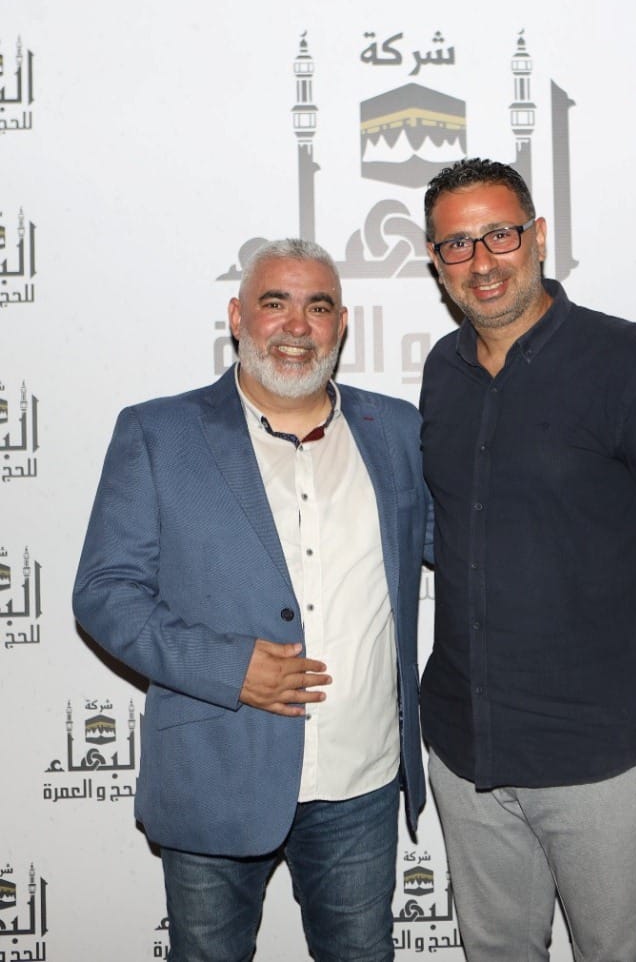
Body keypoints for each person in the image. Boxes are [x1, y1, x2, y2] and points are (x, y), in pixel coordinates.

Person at [73, 238, 430, 962]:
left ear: (341, 325)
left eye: (318, 307)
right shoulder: (158, 433)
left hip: (361, 781)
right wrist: (229, 668)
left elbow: (473, 545)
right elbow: (105, 593)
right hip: (215, 772)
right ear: (237, 317)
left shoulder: (397, 431)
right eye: (275, 303)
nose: (297, 326)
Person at [418, 159, 636, 962]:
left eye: (500, 234)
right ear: (435, 261)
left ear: (539, 237)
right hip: (466, 749)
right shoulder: (442, 373)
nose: (482, 261)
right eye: (457, 244)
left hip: (601, 755)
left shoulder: (627, 362)